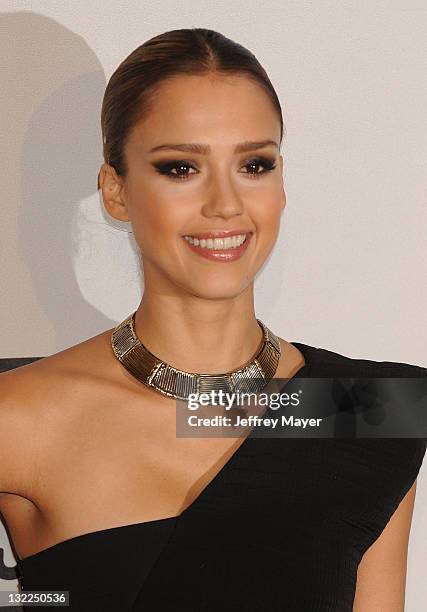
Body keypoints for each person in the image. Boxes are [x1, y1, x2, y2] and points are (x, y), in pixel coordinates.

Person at [0, 27, 425, 612]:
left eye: (254, 164)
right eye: (180, 168)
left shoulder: (362, 408)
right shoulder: (19, 415)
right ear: (116, 191)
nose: (226, 204)